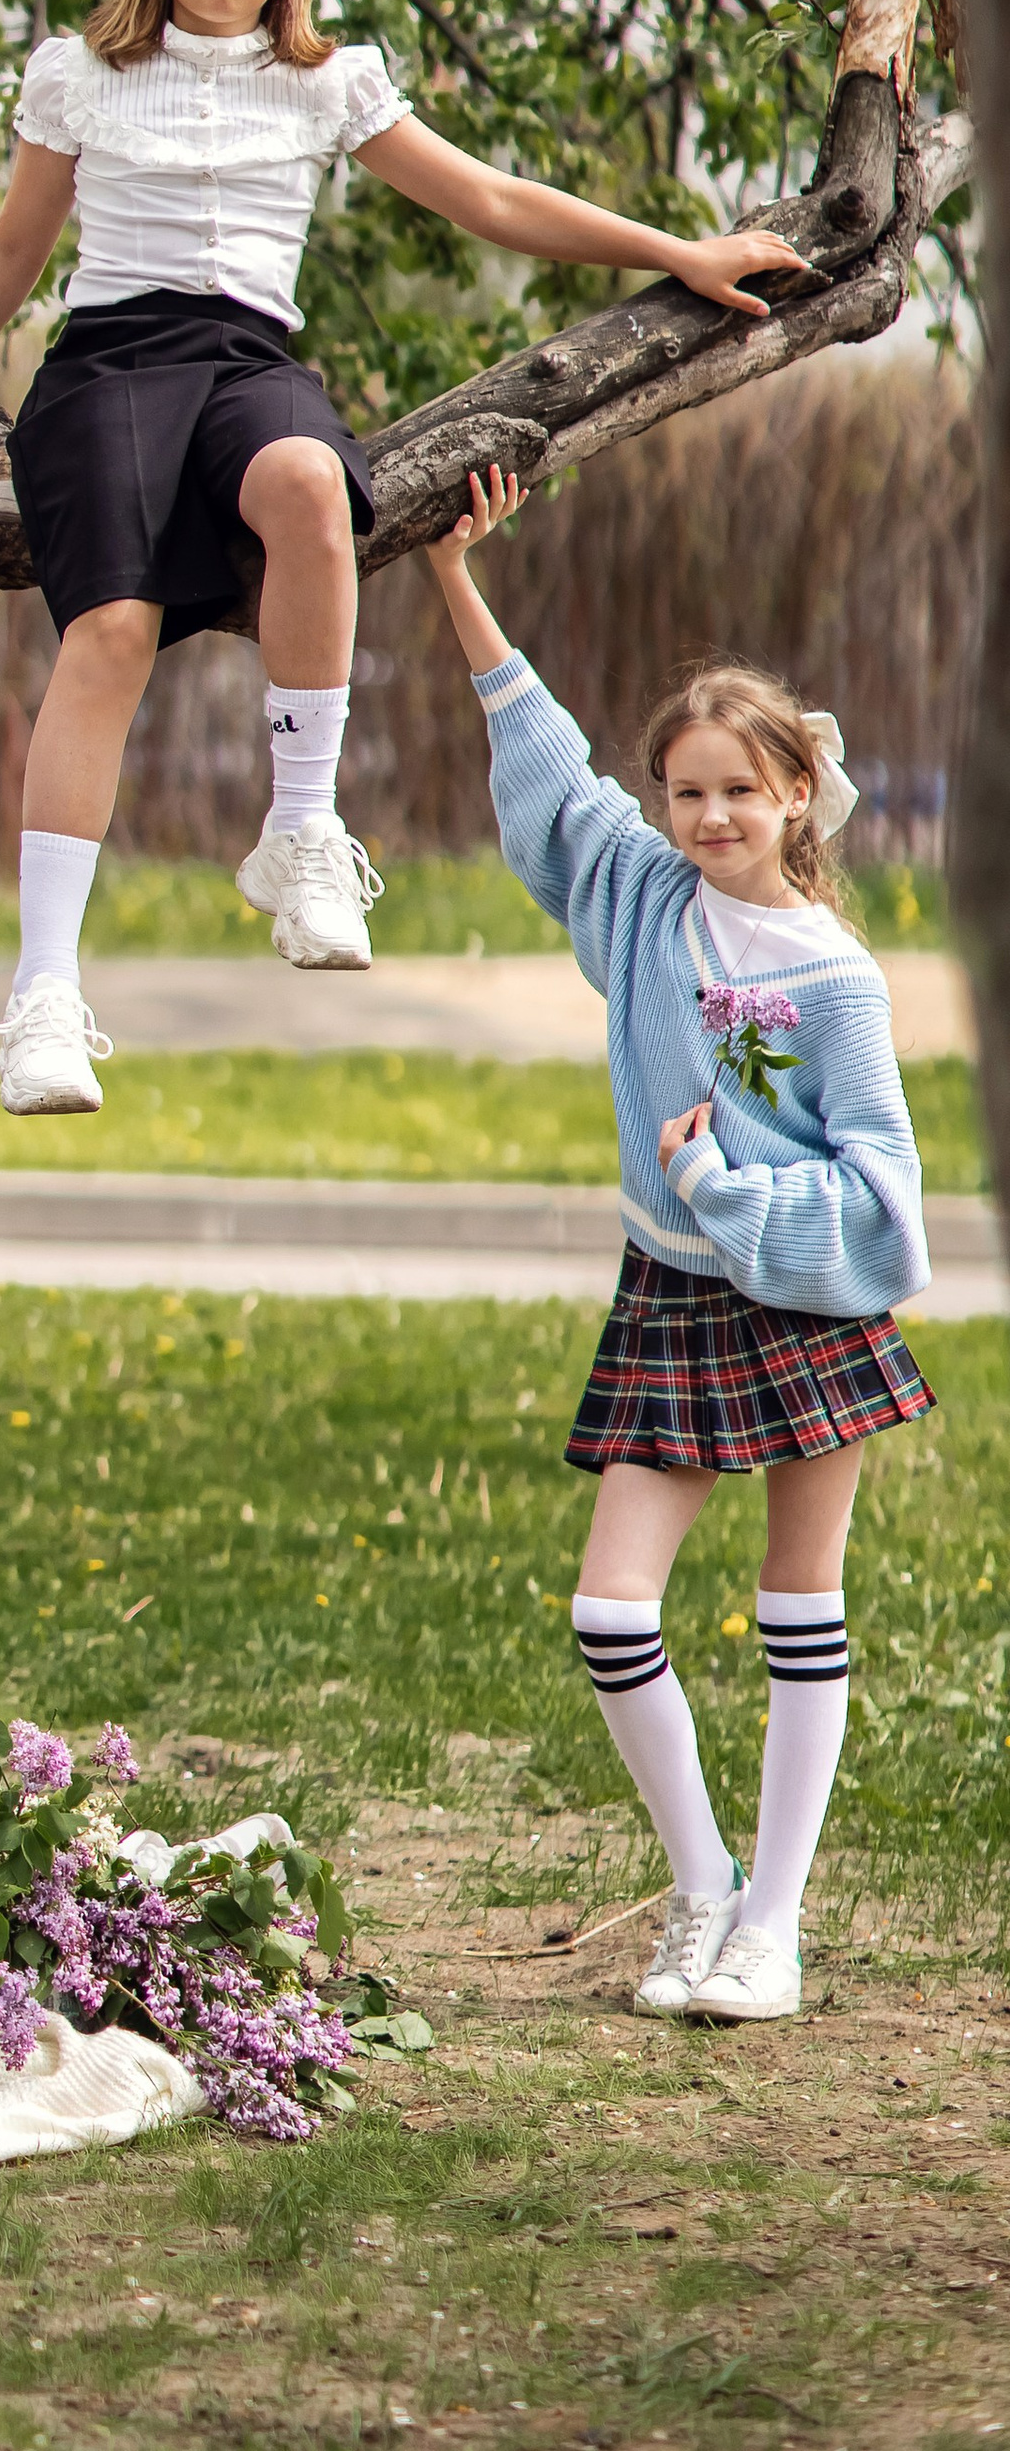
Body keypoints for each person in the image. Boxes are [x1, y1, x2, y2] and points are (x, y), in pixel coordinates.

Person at [0, 0, 808, 1115]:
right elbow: (12, 251)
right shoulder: (78, 74)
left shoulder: (328, 79)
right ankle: (46, 995)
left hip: (250, 358)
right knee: (111, 628)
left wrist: (679, 250)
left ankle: (300, 831)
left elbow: (492, 201)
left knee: (308, 483)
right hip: (111, 366)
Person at [429, 463, 930, 2027]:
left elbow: (886, 1204)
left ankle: (772, 1926)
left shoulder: (834, 979)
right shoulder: (642, 901)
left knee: (799, 1606)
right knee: (610, 1609)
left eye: (739, 790)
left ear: (798, 796)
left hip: (805, 1304)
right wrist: (451, 571)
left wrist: (732, 1195)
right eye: (686, 791)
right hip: (671, 1299)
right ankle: (701, 1885)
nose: (709, 817)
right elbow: (543, 764)